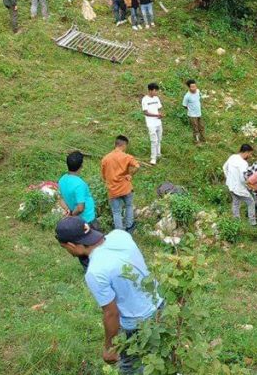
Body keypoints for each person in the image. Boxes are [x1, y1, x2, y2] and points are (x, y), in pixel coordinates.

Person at [54, 217, 163, 372]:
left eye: (65, 248)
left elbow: (111, 313)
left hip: (136, 325)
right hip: (159, 304)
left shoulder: (95, 271)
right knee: (164, 355)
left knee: (131, 367)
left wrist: (109, 347)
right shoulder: (120, 235)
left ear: (72, 245)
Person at [57, 151, 97, 270]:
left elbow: (60, 199)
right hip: (87, 219)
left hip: (76, 221)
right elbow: (80, 207)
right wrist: (73, 215)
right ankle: (96, 270)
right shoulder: (79, 184)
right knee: (95, 246)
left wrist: (68, 212)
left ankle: (87, 269)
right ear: (81, 166)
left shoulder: (63, 179)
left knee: (80, 246)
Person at [100, 135, 140, 233]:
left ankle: (119, 231)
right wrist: (130, 175)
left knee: (116, 212)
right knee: (129, 206)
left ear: (115, 144)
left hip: (113, 189)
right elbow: (137, 166)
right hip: (125, 187)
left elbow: (104, 175)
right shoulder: (127, 157)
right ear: (124, 145)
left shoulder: (105, 159)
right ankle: (129, 226)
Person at [223, 144, 256, 226]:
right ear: (246, 152)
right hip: (239, 188)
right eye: (250, 154)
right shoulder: (244, 163)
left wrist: (228, 178)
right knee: (251, 202)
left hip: (230, 185)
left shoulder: (232, 157)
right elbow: (243, 178)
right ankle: (252, 222)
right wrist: (249, 187)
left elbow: (224, 167)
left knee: (236, 202)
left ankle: (236, 221)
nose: (250, 156)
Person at [141, 83, 163, 165]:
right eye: (155, 91)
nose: (156, 92)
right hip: (151, 123)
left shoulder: (156, 98)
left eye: (157, 91)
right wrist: (156, 115)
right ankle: (153, 158)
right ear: (150, 90)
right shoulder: (145, 100)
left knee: (159, 139)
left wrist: (160, 114)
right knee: (154, 140)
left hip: (158, 122)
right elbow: (145, 112)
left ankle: (158, 154)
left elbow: (159, 108)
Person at [181, 79, 204, 143]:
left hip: (199, 113)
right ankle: (197, 142)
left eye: (195, 86)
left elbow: (199, 98)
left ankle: (203, 139)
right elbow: (184, 105)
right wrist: (190, 110)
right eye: (192, 87)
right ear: (189, 87)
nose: (194, 88)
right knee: (195, 129)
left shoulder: (198, 91)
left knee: (202, 127)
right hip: (192, 115)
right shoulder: (187, 96)